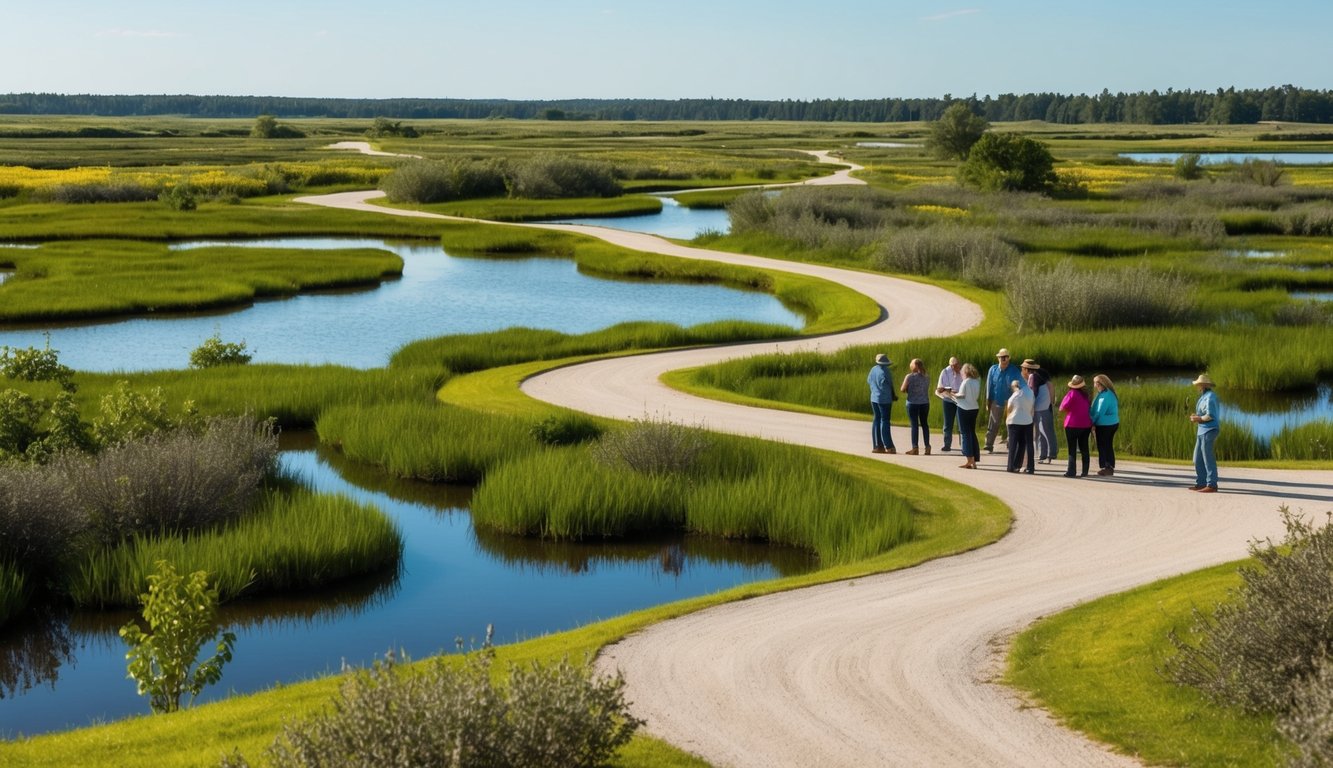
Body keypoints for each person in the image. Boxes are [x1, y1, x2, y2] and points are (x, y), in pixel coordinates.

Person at [984, 348, 1024, 454]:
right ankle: (988, 444)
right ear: (998, 358)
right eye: (1001, 357)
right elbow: (989, 386)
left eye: (1005, 357)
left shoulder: (1014, 370)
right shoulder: (993, 369)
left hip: (1011, 402)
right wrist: (988, 400)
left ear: (1008, 358)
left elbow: (1019, 385)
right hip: (996, 400)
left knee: (1010, 424)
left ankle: (1011, 444)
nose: (1004, 359)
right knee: (993, 423)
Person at [1022, 359, 1058, 464]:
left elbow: (1033, 393)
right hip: (1044, 406)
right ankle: (1043, 455)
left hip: (1041, 407)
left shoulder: (1033, 377)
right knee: (1043, 431)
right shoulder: (1040, 374)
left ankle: (1050, 454)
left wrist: (1029, 407)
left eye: (1023, 368)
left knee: (1045, 431)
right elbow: (1050, 386)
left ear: (1026, 369)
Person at [1190, 373, 1221, 492]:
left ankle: (1212, 484)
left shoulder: (1210, 397)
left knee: (1207, 457)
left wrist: (1199, 419)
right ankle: (1201, 483)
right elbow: (1204, 415)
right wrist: (1197, 417)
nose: (1197, 386)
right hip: (1202, 430)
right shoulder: (1204, 396)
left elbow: (1211, 415)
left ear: (1203, 385)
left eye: (1198, 384)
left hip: (1210, 429)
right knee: (1197, 458)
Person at [1059, 375, 1093, 478]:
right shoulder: (1086, 395)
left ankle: (1071, 471)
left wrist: (1069, 410)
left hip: (1072, 424)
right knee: (1084, 448)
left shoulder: (1071, 393)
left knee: (1072, 449)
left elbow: (1062, 407)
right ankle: (1085, 471)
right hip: (1086, 424)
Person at [951, 363, 982, 469]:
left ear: (965, 372)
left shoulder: (966, 381)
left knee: (965, 433)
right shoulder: (976, 381)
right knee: (972, 432)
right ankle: (974, 458)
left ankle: (969, 459)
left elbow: (962, 395)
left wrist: (951, 394)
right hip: (974, 408)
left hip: (964, 408)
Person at [1090, 374, 1120, 476]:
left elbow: (1099, 412)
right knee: (1107, 445)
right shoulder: (1106, 393)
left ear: (1101, 384)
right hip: (1111, 423)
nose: (1094, 386)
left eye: (1096, 383)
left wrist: (1091, 422)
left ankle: (1107, 467)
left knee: (1103, 446)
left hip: (1105, 425)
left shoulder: (1105, 396)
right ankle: (1109, 466)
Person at [900, 358, 931, 455]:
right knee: (925, 424)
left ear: (915, 366)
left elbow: (902, 389)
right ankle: (927, 446)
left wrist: (908, 389)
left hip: (912, 403)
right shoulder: (926, 377)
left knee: (914, 425)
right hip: (925, 403)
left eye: (911, 363)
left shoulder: (909, 377)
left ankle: (915, 447)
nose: (910, 365)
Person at [867, 353, 896, 454]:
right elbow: (889, 385)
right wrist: (893, 395)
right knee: (885, 421)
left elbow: (869, 381)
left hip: (874, 398)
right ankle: (888, 445)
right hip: (885, 399)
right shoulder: (885, 371)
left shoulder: (873, 369)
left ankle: (877, 445)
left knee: (876, 419)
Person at [1005, 380, 1035, 473]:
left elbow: (1009, 410)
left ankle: (1011, 466)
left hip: (1014, 421)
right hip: (1028, 420)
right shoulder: (1030, 393)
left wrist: (1007, 423)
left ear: (1014, 387)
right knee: (1026, 444)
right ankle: (1029, 466)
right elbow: (1032, 408)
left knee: (1013, 444)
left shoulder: (1014, 396)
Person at [936, 357, 963, 452]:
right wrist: (946, 390)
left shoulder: (962, 371)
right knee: (948, 423)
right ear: (951, 365)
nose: (956, 367)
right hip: (948, 399)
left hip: (960, 400)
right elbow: (939, 388)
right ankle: (947, 444)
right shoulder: (945, 372)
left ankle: (963, 445)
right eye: (954, 366)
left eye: (957, 365)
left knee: (961, 423)